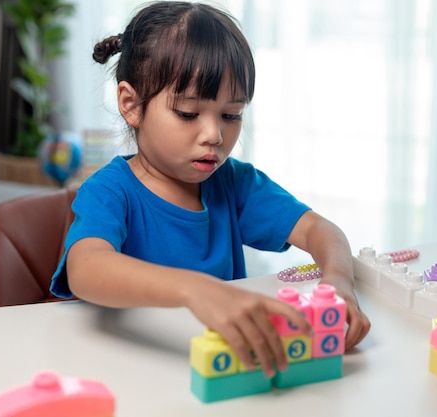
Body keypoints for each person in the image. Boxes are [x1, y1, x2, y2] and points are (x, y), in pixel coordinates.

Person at [51, 1, 370, 378]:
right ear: (131, 104)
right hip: (135, 370)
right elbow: (86, 268)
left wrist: (339, 281)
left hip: (223, 371)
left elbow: (321, 230)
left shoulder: (234, 184)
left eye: (231, 115)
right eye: (188, 113)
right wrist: (195, 290)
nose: (214, 135)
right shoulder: (109, 191)